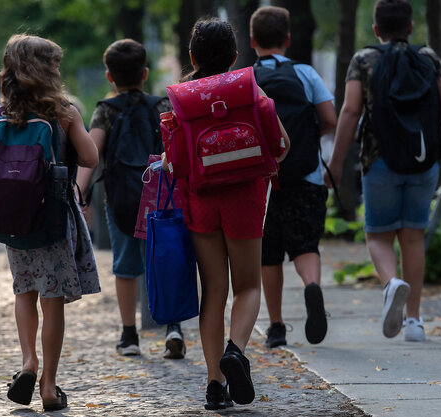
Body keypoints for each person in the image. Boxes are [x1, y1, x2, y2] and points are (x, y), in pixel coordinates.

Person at [0, 34, 100, 412]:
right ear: (44, 71)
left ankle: (28, 361)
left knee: (23, 291)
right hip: (54, 219)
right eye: (55, 65)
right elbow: (91, 157)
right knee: (52, 300)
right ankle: (48, 386)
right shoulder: (63, 111)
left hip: (15, 222)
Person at [167, 19, 290, 410]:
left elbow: (175, 161)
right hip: (245, 200)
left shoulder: (182, 101)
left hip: (201, 201)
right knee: (249, 287)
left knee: (213, 293)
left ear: (191, 57)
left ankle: (214, 385)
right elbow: (281, 144)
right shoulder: (249, 93)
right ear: (236, 57)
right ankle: (235, 351)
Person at [326, 0, 441, 342]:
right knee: (413, 236)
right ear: (411, 27)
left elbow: (350, 111)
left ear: (376, 30)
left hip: (380, 160)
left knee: (377, 235)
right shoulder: (430, 59)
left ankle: (391, 284)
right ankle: (415, 322)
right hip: (424, 161)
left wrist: (337, 164)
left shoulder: (364, 60)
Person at [76, 39, 186, 359]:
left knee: (125, 266)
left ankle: (129, 336)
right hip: (162, 197)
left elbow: (92, 156)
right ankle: (173, 328)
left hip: (121, 198)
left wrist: (80, 193)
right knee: (165, 260)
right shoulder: (162, 106)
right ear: (145, 73)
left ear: (110, 77)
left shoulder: (106, 111)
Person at [250, 6, 338, 348]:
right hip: (307, 175)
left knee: (268, 253)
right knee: (306, 244)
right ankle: (311, 285)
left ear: (253, 41)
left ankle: (275, 326)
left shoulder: (246, 79)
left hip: (262, 181)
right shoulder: (305, 73)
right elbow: (328, 118)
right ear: (287, 39)